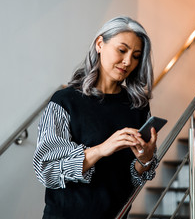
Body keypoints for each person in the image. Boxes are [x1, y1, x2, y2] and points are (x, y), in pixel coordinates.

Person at [33, 16, 160, 219]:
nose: (128, 61)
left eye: (136, 56)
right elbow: (47, 170)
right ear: (100, 44)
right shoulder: (65, 101)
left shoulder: (138, 106)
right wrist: (101, 149)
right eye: (122, 50)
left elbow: (135, 178)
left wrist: (144, 160)